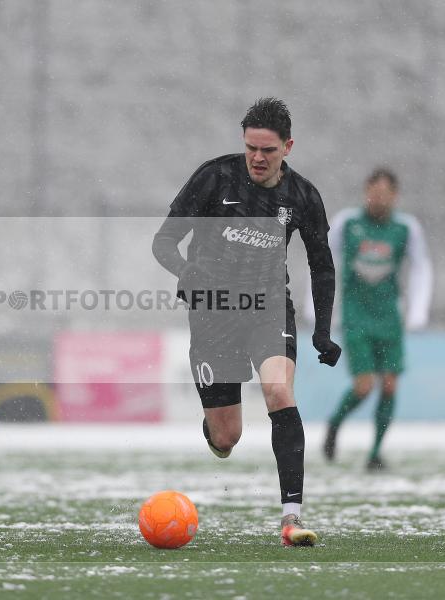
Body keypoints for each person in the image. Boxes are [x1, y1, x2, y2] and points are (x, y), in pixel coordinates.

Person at [153, 97, 341, 547]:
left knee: (279, 390)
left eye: (268, 150)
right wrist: (187, 274)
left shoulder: (302, 197)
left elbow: (322, 265)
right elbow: (163, 242)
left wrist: (321, 329)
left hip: (268, 308)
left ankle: (291, 518)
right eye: (251, 148)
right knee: (227, 436)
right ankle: (214, 430)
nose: (257, 158)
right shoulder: (214, 177)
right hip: (213, 315)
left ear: (288, 148)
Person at [310, 168, 433, 471]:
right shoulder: (347, 223)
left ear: (395, 195)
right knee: (364, 385)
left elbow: (421, 267)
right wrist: (318, 307)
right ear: (366, 191)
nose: (378, 198)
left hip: (389, 317)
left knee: (390, 385)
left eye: (384, 192)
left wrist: (418, 310)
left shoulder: (406, 228)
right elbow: (325, 261)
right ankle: (334, 425)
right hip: (356, 317)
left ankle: (375, 454)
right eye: (373, 191)